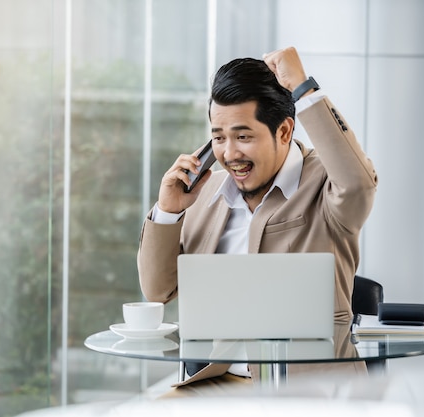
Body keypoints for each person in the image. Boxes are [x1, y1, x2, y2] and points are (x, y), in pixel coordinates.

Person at [137, 46, 378, 391]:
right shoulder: (205, 193)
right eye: (219, 138)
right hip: (216, 384)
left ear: (283, 132)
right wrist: (168, 211)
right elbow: (157, 291)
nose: (230, 154)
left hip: (312, 393)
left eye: (243, 136)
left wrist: (303, 88)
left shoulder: (328, 185)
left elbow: (357, 183)